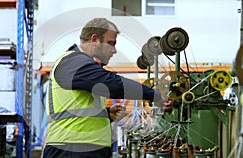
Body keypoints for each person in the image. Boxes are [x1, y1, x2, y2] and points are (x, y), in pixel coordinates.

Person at [42, 17, 172, 158]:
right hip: (72, 149)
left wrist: (106, 113)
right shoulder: (73, 62)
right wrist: (154, 95)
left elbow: (78, 111)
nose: (114, 50)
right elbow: (113, 84)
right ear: (94, 39)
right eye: (111, 43)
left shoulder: (78, 64)